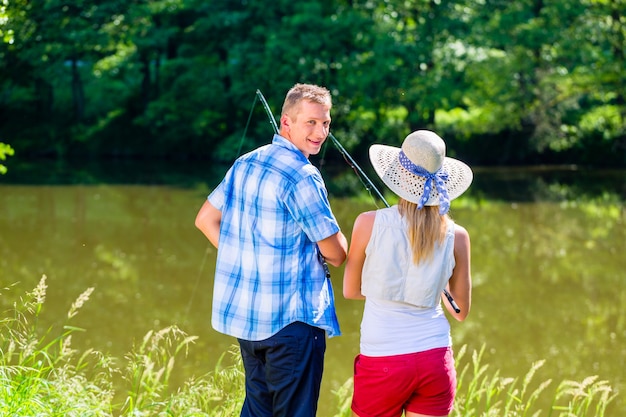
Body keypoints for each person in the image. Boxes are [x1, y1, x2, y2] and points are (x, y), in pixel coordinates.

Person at [195, 83, 348, 417]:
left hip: (249, 322)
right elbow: (336, 253)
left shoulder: (245, 163)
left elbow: (206, 220)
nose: (320, 132)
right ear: (286, 123)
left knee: (257, 410)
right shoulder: (303, 176)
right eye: (310, 122)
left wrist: (245, 256)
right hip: (291, 323)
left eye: (325, 123)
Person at [343, 130, 473, 417]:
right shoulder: (457, 235)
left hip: (383, 358)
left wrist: (394, 283)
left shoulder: (367, 223)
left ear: (399, 177)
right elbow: (460, 311)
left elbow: (351, 291)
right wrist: (432, 282)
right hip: (434, 359)